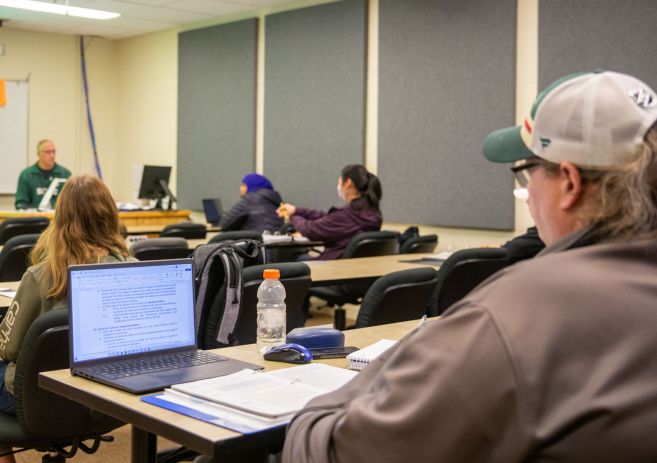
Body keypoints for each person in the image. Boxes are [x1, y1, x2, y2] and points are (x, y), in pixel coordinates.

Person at [283, 71, 657, 462]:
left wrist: (395, 360)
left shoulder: (518, 312)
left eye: (527, 172)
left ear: (569, 183)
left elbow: (333, 452)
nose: (527, 195)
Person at [0, 175, 134, 423]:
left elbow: (7, 348)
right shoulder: (134, 268)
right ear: (109, 214)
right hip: (111, 391)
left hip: (38, 395)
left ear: (60, 217)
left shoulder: (41, 276)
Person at [277, 164, 382, 260]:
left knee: (292, 256)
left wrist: (291, 215)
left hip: (330, 269)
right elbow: (328, 217)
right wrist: (296, 210)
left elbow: (310, 229)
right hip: (355, 271)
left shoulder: (346, 216)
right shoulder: (373, 214)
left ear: (348, 183)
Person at [15, 139, 72, 210]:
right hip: (34, 219)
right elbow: (21, 203)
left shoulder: (65, 174)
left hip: (58, 219)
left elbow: (71, 202)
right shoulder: (26, 175)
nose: (52, 155)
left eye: (53, 151)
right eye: (48, 152)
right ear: (38, 154)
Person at [220, 173, 284, 234]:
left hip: (256, 242)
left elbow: (224, 224)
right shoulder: (275, 200)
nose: (240, 188)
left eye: (243, 185)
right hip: (275, 242)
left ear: (251, 186)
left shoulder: (250, 199)